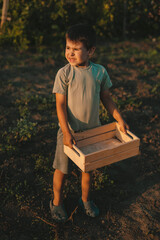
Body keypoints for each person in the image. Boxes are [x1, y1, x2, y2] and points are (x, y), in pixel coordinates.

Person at [50, 23, 129, 222]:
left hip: (92, 131)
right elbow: (60, 105)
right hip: (69, 133)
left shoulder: (100, 72)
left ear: (91, 51)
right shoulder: (64, 74)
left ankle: (85, 200)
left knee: (88, 169)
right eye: (68, 47)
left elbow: (107, 98)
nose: (70, 53)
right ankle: (57, 201)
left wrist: (118, 117)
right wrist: (66, 132)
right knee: (62, 169)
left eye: (76, 49)